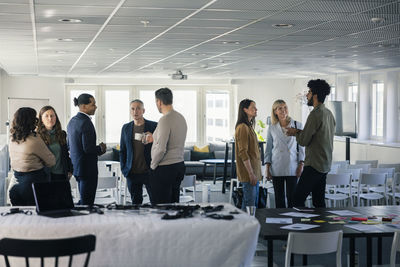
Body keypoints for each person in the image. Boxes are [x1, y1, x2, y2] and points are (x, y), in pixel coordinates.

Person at [286, 79, 335, 208]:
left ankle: (303, 226)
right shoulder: (329, 114)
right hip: (324, 164)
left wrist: (295, 133)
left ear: (315, 95)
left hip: (313, 164)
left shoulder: (315, 114)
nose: (307, 95)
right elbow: (319, 136)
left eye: (309, 92)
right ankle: (319, 227)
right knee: (318, 202)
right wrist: (298, 131)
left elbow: (303, 141)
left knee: (296, 199)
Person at [9, 107, 56, 206]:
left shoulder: (12, 138)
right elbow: (51, 161)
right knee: (37, 218)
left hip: (15, 183)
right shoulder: (34, 140)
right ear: (30, 121)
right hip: (33, 184)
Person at [67, 94, 106, 205]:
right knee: (87, 203)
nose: (96, 107)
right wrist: (101, 148)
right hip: (88, 169)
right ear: (83, 106)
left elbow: (68, 145)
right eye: (93, 104)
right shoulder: (86, 122)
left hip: (77, 168)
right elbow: (88, 148)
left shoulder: (72, 121)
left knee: (83, 200)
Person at [150, 88, 187, 204]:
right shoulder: (181, 118)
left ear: (159, 102)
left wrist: (153, 165)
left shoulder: (165, 120)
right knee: (173, 205)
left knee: (161, 208)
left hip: (165, 168)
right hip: (179, 165)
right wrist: (154, 138)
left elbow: (161, 149)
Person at [265, 100, 305, 208]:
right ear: (275, 112)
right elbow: (268, 149)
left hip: (292, 166)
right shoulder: (272, 128)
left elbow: (302, 148)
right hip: (277, 166)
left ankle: (293, 222)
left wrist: (301, 165)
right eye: (279, 108)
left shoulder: (297, 125)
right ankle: (279, 223)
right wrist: (267, 168)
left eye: (285, 107)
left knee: (292, 198)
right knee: (279, 199)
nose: (283, 110)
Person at [120, 99, 157, 204]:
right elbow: (122, 150)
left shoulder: (154, 126)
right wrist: (124, 169)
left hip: (149, 171)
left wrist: (153, 137)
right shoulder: (126, 128)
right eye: (132, 109)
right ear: (130, 111)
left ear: (143, 110)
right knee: (135, 203)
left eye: (138, 108)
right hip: (132, 172)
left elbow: (161, 145)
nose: (135, 111)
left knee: (155, 201)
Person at [235, 99, 262, 210]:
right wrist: (251, 173)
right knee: (249, 205)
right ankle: (244, 227)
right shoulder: (242, 127)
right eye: (253, 108)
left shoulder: (249, 126)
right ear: (245, 110)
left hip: (254, 171)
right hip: (249, 173)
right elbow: (243, 152)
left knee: (252, 204)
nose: (256, 110)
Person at [37, 106, 73, 181]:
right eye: (46, 116)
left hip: (62, 174)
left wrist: (70, 169)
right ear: (41, 119)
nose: (50, 118)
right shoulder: (37, 136)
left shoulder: (62, 134)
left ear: (56, 117)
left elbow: (65, 154)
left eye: (52, 115)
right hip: (46, 176)